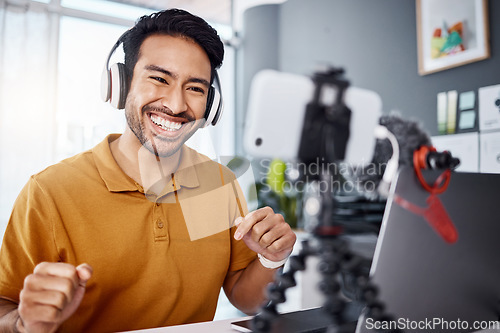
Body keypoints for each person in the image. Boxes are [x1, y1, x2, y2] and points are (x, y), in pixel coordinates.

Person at [0, 9, 296, 333]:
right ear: (120, 83)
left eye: (195, 88)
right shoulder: (49, 192)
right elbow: (6, 306)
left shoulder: (217, 183)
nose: (176, 104)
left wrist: (271, 258)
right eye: (159, 78)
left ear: (211, 106)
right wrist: (23, 321)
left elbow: (244, 296)